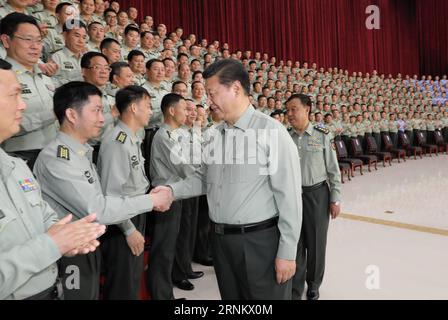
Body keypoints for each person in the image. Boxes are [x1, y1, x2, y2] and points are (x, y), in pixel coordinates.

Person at [165, 59, 302, 300]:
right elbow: (202, 178)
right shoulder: (215, 134)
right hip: (221, 243)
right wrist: (170, 192)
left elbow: (290, 196)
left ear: (236, 89)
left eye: (212, 93)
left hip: (259, 243)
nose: (208, 101)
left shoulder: (271, 132)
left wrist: (288, 252)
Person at [33, 81, 173, 300]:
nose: (102, 118)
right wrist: (151, 201)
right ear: (71, 114)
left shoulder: (80, 153)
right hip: (71, 251)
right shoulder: (57, 158)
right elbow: (98, 207)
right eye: (96, 110)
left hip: (88, 241)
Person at [0, 58, 106, 300]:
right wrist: (53, 244)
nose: (23, 105)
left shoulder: (17, 167)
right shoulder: (54, 157)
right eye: (14, 95)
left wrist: (65, 237)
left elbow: (46, 217)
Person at [97, 85, 153, 300]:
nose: (150, 111)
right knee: (123, 282)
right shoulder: (117, 142)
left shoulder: (131, 137)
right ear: (132, 108)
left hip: (134, 212)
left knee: (131, 279)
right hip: (122, 221)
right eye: (147, 106)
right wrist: (128, 230)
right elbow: (111, 195)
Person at [286, 94, 341, 300]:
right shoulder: (285, 136)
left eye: (294, 109)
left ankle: (314, 284)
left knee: (316, 243)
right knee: (295, 242)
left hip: (317, 194)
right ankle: (295, 286)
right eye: (288, 110)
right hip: (292, 196)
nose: (289, 114)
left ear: (307, 109)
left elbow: (333, 170)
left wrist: (335, 199)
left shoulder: (322, 134)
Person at [147, 93, 196, 300]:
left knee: (174, 243)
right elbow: (183, 166)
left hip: (177, 193)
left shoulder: (179, 133)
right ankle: (161, 295)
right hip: (165, 195)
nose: (187, 112)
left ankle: (171, 283)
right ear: (171, 110)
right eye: (184, 108)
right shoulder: (164, 136)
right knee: (164, 248)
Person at [0, 13, 57, 170]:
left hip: (52, 154)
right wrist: (54, 113)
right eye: (28, 39)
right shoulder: (3, 77)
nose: (35, 46)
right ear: (6, 40)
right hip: (20, 158)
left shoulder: (45, 78)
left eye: (39, 41)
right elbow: (5, 123)